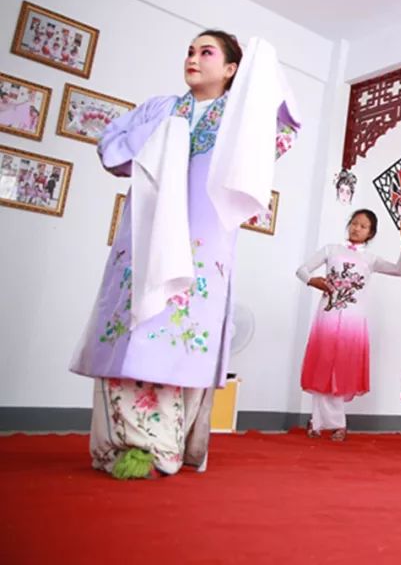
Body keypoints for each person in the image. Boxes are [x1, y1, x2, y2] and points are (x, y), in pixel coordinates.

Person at [70, 30, 300, 478]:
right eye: (190, 51)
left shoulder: (240, 115)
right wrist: (160, 136)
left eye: (206, 52)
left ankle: (164, 448)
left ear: (231, 69)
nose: (193, 58)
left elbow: (284, 130)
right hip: (145, 236)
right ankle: (117, 445)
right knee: (133, 330)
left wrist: (263, 65)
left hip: (203, 244)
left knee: (181, 334)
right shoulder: (160, 109)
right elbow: (111, 148)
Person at [296, 209, 401, 440]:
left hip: (353, 322)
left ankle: (334, 422)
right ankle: (318, 421)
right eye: (354, 223)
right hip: (328, 316)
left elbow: (399, 270)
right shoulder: (331, 249)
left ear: (370, 233)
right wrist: (312, 281)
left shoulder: (370, 259)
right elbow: (302, 270)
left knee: (341, 367)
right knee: (323, 364)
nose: (357, 228)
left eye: (363, 226)